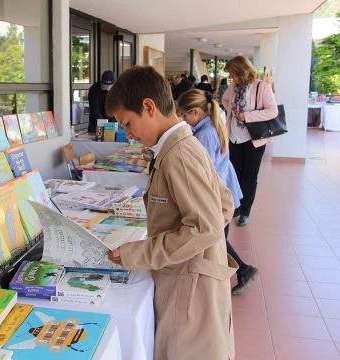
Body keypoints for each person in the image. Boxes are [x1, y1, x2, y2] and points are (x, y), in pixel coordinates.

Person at [106, 66, 237, 359]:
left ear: (149, 107)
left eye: (128, 124)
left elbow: (205, 227)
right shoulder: (183, 144)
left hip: (188, 288)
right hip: (189, 276)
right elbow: (224, 203)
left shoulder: (179, 154)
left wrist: (139, 253)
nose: (128, 134)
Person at [177, 89, 259, 295]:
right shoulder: (212, 126)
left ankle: (241, 270)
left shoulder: (205, 135)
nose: (184, 120)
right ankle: (240, 271)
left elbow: (202, 171)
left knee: (216, 239)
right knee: (218, 238)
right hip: (223, 189)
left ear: (195, 112)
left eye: (185, 115)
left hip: (218, 192)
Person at [222, 56, 278, 227]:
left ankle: (245, 211)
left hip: (254, 139)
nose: (232, 79)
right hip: (234, 137)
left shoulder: (262, 87)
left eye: (234, 74)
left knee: (249, 177)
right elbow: (225, 100)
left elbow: (272, 111)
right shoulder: (233, 87)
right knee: (234, 174)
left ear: (243, 72)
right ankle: (236, 207)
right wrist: (233, 111)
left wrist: (246, 116)